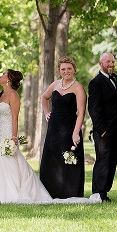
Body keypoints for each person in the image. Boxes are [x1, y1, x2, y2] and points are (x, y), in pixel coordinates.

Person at [0, 70, 101, 204]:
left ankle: (10, 191)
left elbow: (15, 118)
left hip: (8, 134)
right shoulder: (1, 94)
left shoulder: (13, 95)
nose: (0, 75)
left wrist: (14, 137)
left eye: (2, 74)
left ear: (8, 79)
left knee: (8, 163)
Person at [39, 56, 87, 198]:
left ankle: (67, 192)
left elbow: (81, 113)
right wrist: (47, 112)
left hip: (69, 128)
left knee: (68, 159)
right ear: (59, 70)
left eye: (69, 69)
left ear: (74, 69)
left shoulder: (78, 88)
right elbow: (44, 97)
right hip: (53, 129)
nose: (66, 71)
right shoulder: (55, 85)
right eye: (63, 69)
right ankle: (49, 192)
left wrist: (76, 133)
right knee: (52, 159)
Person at [87, 52, 117, 202]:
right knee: (103, 160)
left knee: (112, 161)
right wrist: (102, 129)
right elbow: (93, 108)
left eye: (113, 61)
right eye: (108, 62)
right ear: (100, 64)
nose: (111, 64)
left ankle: (105, 192)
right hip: (103, 131)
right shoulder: (96, 83)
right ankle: (98, 193)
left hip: (115, 129)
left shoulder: (114, 78)